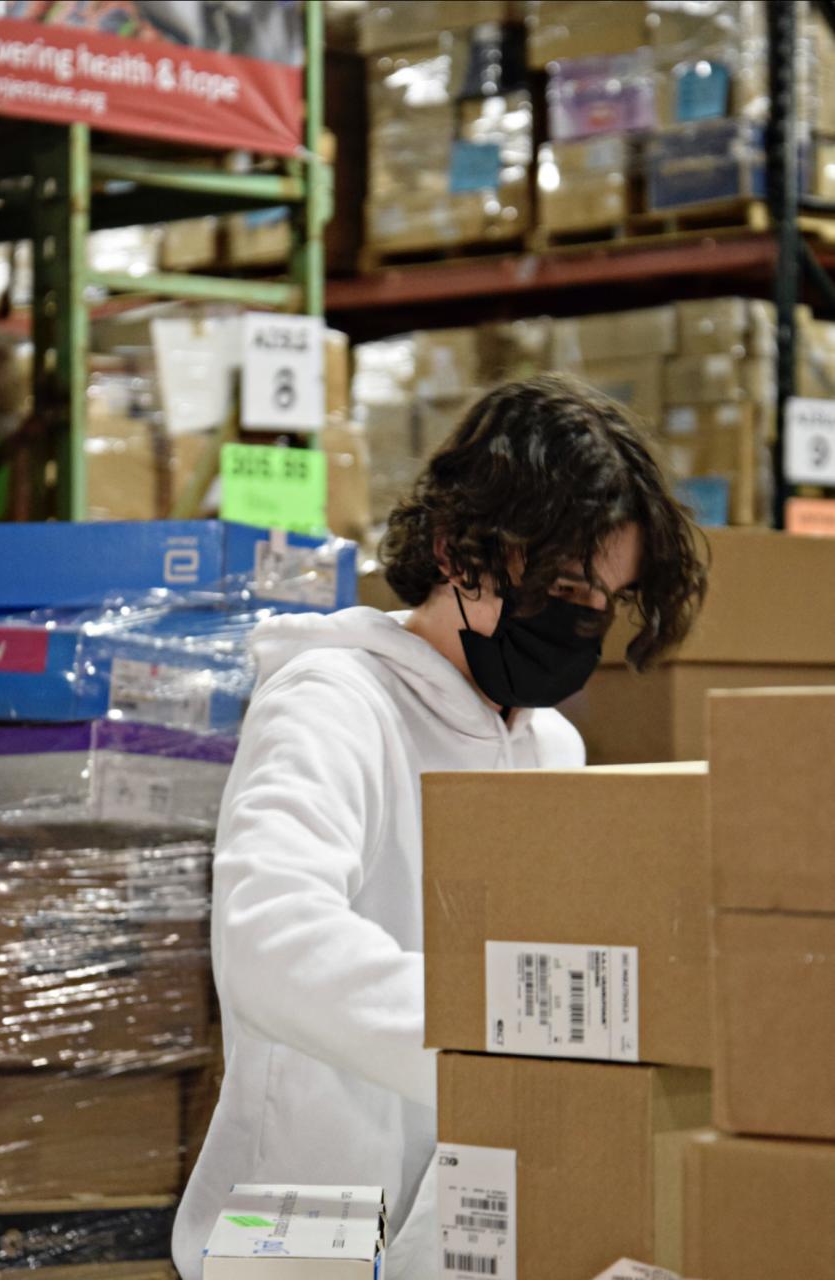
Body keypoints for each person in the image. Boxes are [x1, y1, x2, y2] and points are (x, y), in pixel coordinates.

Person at [172, 374, 707, 1280]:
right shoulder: (334, 702)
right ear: (461, 551)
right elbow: (268, 938)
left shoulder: (550, 747)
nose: (584, 623)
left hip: (465, 1230)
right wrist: (499, 1031)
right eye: (565, 585)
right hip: (304, 1231)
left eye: (607, 600)